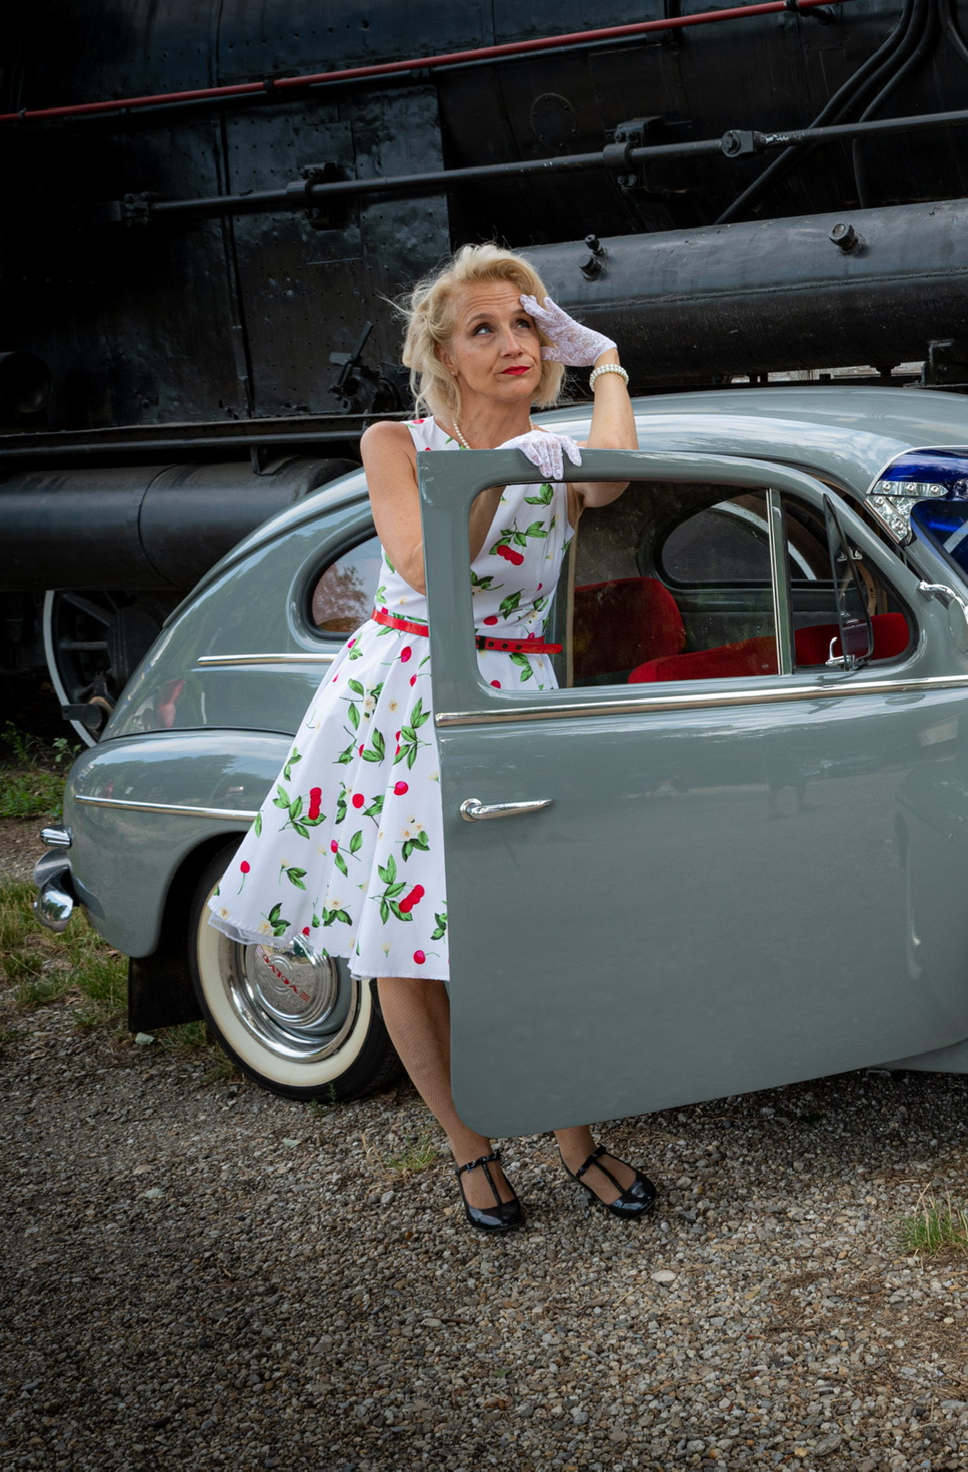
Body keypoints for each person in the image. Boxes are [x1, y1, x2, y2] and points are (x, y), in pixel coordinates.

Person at [206, 244, 657, 1232]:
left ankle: (573, 1137)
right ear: (445, 355)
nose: (510, 343)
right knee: (401, 938)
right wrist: (497, 466)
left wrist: (610, 357)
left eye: (525, 323)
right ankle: (468, 1147)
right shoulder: (396, 443)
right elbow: (422, 558)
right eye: (482, 328)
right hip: (404, 692)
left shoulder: (555, 447)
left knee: (529, 931)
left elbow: (619, 475)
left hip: (515, 691)